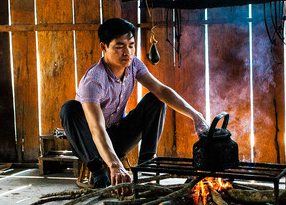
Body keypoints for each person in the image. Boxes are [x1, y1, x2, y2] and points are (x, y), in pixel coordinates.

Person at [60, 18, 209, 188]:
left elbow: (161, 90)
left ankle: (146, 164)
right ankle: (99, 173)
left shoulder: (133, 65)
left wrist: (196, 116)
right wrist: (114, 165)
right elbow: (96, 129)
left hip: (118, 138)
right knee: (69, 108)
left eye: (131, 45)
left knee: (156, 98)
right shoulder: (94, 81)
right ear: (104, 47)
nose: (127, 52)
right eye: (120, 46)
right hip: (90, 144)